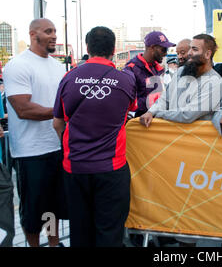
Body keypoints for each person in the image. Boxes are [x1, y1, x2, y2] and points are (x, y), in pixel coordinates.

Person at [53, 26, 136, 247]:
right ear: (114, 48)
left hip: (75, 168)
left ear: (88, 48)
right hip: (111, 169)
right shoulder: (126, 80)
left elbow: (57, 123)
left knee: (80, 231)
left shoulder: (69, 78)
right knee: (109, 231)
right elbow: (130, 110)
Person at [3, 18, 67, 247]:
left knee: (52, 207)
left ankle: (53, 244)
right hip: (29, 152)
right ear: (33, 35)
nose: (54, 36)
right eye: (48, 31)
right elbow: (23, 109)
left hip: (56, 147)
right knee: (32, 211)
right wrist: (61, 112)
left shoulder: (58, 67)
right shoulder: (18, 65)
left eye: (55, 31)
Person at [140, 34, 222, 127]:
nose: (189, 53)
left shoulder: (215, 82)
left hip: (194, 139)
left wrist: (157, 114)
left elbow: (187, 115)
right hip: (171, 137)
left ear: (207, 54)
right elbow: (165, 99)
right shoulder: (180, 72)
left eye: (195, 49)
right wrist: (151, 112)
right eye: (190, 48)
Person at [123, 31, 175, 117]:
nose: (166, 53)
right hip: (140, 124)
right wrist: (155, 99)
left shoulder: (159, 68)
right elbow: (128, 103)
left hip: (157, 120)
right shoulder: (131, 69)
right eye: (163, 49)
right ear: (152, 48)